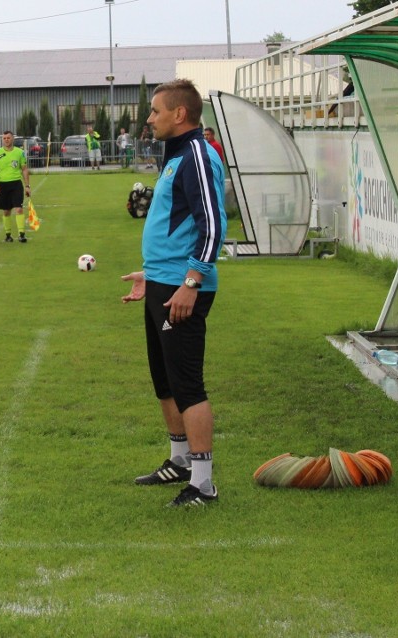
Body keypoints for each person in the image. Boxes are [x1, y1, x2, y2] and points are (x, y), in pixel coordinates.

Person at [121, 79, 227, 507]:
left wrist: (190, 282)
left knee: (187, 385)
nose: (149, 119)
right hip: (163, 282)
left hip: (183, 288)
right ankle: (180, 460)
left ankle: (202, 483)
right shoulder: (176, 156)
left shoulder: (198, 156)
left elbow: (213, 226)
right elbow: (173, 223)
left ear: (179, 114)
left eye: (155, 111)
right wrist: (151, 274)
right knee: (163, 381)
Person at [0, 131, 31, 243]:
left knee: (19, 209)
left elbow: (24, 169)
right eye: (4, 138)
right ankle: (8, 236)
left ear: (12, 139)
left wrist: (27, 186)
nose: (6, 140)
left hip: (16, 184)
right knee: (6, 211)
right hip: (3, 184)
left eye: (8, 138)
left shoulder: (20, 153)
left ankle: (21, 235)